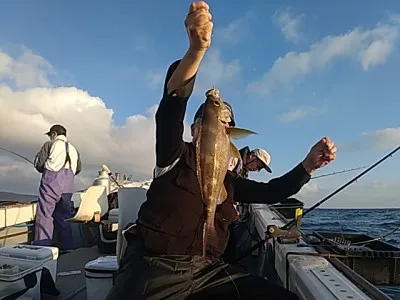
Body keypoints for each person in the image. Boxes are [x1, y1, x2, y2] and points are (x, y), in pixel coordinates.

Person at [106, 2, 336, 299]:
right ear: (194, 128)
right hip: (153, 269)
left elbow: (273, 192)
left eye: (227, 123)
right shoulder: (173, 156)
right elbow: (171, 105)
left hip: (208, 274)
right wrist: (196, 51)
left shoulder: (228, 182)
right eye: (213, 118)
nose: (220, 123)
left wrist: (308, 166)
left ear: (230, 136)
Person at [33, 124, 82, 250]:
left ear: (54, 134)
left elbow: (39, 165)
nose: (50, 137)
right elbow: (78, 169)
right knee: (63, 217)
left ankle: (42, 247)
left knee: (45, 215)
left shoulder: (49, 145)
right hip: (68, 186)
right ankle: (67, 247)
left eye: (50, 135)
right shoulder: (74, 149)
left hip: (51, 183)